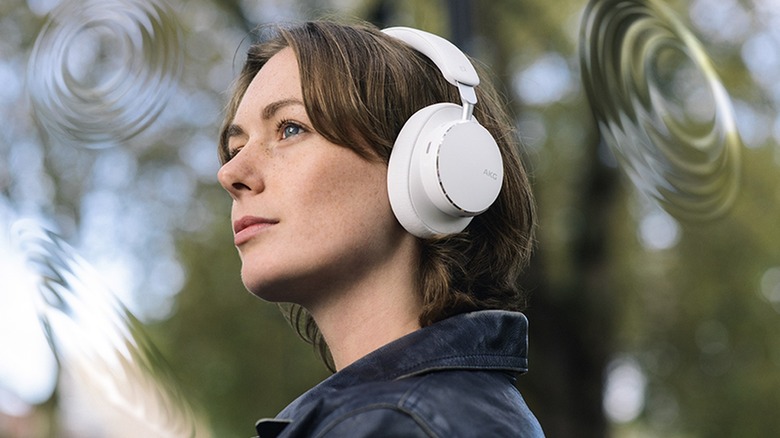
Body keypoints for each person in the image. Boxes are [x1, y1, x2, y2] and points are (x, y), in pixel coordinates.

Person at [217, 20, 543, 437]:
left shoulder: (396, 424)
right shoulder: (441, 412)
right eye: (236, 148)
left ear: (427, 167)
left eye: (290, 129)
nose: (230, 173)